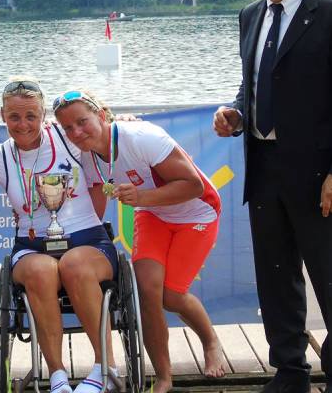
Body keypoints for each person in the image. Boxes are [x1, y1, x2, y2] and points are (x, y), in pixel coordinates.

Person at [212, 0, 332, 393]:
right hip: (263, 168)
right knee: (277, 279)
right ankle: (290, 372)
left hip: (323, 176)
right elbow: (255, 86)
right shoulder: (250, 15)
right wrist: (236, 114)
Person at [53, 90, 227, 393]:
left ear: (102, 115)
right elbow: (94, 209)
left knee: (171, 297)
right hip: (153, 214)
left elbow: (193, 186)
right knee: (147, 292)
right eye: (68, 128)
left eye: (82, 122)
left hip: (197, 211)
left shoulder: (141, 137)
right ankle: (163, 377)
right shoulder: (85, 156)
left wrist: (143, 196)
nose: (76, 132)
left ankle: (210, 341)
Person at [0, 79, 120, 393]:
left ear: (43, 115)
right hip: (32, 246)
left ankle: (105, 368)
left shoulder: (68, 138)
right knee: (41, 273)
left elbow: (106, 134)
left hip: (87, 241)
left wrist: (126, 122)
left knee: (74, 266)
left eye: (31, 115)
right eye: (14, 117)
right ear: (2, 116)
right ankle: (57, 377)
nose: (23, 124)